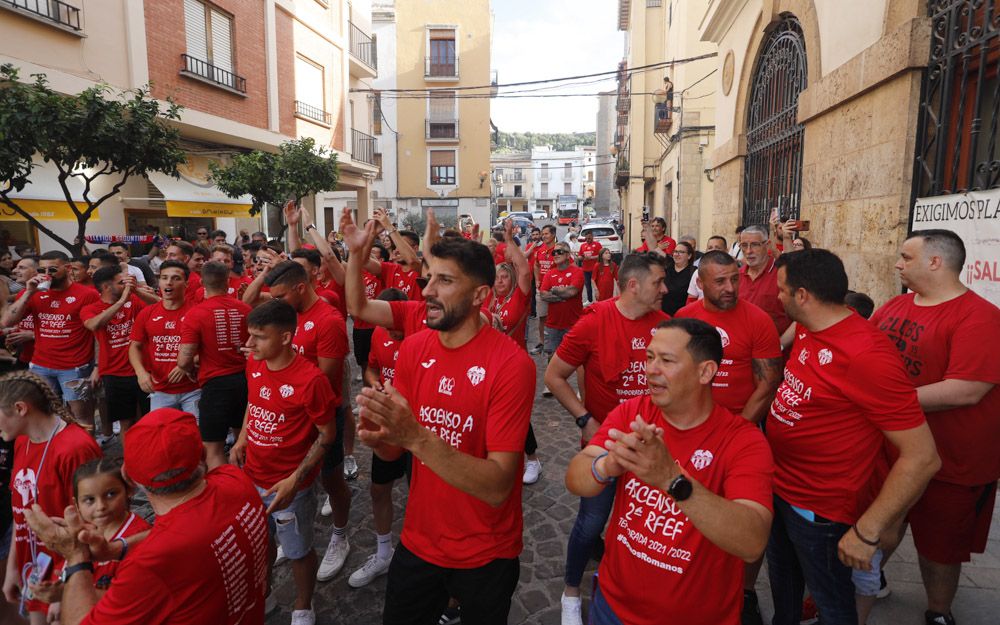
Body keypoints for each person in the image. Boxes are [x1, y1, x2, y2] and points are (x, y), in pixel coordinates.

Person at [353, 233, 535, 625]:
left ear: (479, 296)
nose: (428, 291)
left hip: (487, 552)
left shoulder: (511, 365)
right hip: (421, 541)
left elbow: (498, 485)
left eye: (445, 281)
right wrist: (381, 435)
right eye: (429, 277)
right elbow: (394, 451)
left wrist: (415, 435)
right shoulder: (415, 349)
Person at [766, 249, 941, 625]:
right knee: (785, 596)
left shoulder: (867, 355)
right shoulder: (809, 328)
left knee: (834, 608)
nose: (777, 298)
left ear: (802, 296)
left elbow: (922, 457)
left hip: (821, 511)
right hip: (780, 488)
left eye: (781, 291)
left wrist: (868, 530)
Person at [565, 318, 774, 624]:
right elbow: (575, 477)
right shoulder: (633, 411)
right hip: (611, 608)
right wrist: (608, 465)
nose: (651, 369)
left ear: (706, 372)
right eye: (649, 357)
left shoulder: (742, 442)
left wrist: (672, 480)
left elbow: (752, 541)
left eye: (666, 360)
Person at [24, 407, 268, 625]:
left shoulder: (151, 563)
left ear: (128, 478)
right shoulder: (236, 481)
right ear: (202, 456)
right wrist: (116, 549)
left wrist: (76, 556)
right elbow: (188, 538)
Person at [871, 229, 1000, 625]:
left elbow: (966, 390)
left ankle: (939, 613)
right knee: (876, 527)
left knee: (940, 548)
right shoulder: (895, 305)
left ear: (935, 262)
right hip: (891, 451)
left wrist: (884, 402)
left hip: (952, 461)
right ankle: (865, 584)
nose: (897, 264)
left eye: (906, 257)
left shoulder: (981, 317)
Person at [544, 252, 669, 625]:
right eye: (658, 282)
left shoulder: (666, 326)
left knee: (643, 525)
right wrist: (584, 419)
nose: (665, 288)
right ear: (633, 285)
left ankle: (634, 588)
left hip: (652, 448)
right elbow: (553, 376)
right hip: (605, 444)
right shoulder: (593, 322)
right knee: (591, 521)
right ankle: (570, 592)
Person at [673, 250, 783, 623]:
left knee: (746, 514)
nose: (730, 287)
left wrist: (735, 432)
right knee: (688, 511)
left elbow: (768, 383)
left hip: (741, 434)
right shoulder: (684, 320)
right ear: (700, 283)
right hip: (689, 434)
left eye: (735, 278)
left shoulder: (758, 320)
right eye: (720, 281)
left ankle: (746, 591)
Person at [230, 300, 337, 625]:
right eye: (250, 335)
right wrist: (243, 437)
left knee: (298, 550)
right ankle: (265, 594)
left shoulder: (311, 380)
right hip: (252, 476)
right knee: (260, 541)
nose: (250, 345)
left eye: (259, 337)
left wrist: (296, 478)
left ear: (286, 337)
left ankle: (303, 604)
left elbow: (327, 435)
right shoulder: (255, 364)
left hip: (291, 487)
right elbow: (254, 400)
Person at [261, 261, 352, 584]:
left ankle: (340, 536)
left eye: (281, 295)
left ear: (301, 288)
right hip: (287, 416)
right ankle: (294, 537)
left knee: (331, 480)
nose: (275, 302)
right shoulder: (286, 315)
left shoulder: (328, 321)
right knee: (293, 485)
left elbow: (326, 381)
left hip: (320, 416)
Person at [0, 371, 101, 624]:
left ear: (21, 408)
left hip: (70, 573)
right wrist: (13, 567)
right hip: (36, 570)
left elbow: (94, 522)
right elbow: (21, 512)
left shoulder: (74, 448)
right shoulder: (23, 441)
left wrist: (65, 584)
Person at [348, 288, 409, 589]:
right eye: (386, 325)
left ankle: (423, 558)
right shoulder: (377, 334)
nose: (392, 331)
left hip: (417, 428)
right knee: (378, 489)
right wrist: (377, 384)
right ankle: (384, 552)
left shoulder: (423, 337)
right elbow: (371, 368)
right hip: (386, 424)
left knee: (422, 495)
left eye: (396, 325)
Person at [27, 457, 151, 605]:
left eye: (111, 494)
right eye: (89, 500)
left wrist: (67, 594)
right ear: (76, 504)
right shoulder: (81, 533)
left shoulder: (140, 536)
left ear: (128, 491)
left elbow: (132, 599)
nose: (100, 506)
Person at [1, 251, 100, 429]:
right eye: (42, 269)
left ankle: (85, 456)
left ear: (68, 268)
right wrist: (29, 292)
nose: (47, 273)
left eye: (52, 269)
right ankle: (55, 454)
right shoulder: (32, 293)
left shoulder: (87, 295)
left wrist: (98, 367)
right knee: (44, 415)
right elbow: (6, 321)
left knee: (81, 418)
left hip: (74, 367)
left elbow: (98, 333)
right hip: (41, 365)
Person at [175, 261, 251, 470]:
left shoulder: (196, 314)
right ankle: (247, 485)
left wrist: (189, 368)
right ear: (228, 281)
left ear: (201, 282)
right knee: (243, 440)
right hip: (245, 381)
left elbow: (184, 359)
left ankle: (224, 491)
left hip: (215, 385)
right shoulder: (244, 309)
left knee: (213, 448)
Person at [487, 220, 540, 484]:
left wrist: (509, 240)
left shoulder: (518, 297)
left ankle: (532, 459)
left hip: (513, 365)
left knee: (517, 416)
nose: (500, 280)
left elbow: (524, 272)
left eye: (504, 276)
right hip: (487, 365)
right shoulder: (488, 299)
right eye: (496, 277)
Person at [81, 266, 155, 438]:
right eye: (121, 282)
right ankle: (129, 462)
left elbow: (160, 304)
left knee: (150, 418)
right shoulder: (90, 308)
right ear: (107, 287)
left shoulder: (135, 300)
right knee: (126, 422)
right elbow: (93, 325)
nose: (126, 285)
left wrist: (136, 291)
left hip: (143, 371)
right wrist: (121, 302)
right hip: (114, 373)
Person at [128, 261, 199, 414]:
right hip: (160, 389)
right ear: (159, 282)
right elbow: (135, 346)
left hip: (194, 388)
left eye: (176, 278)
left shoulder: (197, 312)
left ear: (186, 284)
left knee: (196, 434)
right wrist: (141, 373)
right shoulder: (147, 313)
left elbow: (209, 347)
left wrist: (187, 363)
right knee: (163, 435)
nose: (169, 282)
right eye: (164, 277)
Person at [538, 242, 583, 372]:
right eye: (554, 252)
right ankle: (551, 384)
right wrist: (563, 295)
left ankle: (581, 388)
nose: (556, 254)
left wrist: (554, 291)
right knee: (551, 356)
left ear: (568, 255)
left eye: (560, 252)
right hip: (553, 324)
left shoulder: (577, 272)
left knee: (578, 359)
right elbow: (543, 294)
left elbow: (572, 292)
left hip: (573, 324)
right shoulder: (549, 273)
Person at [737, 225, 791, 334]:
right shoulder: (735, 276)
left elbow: (800, 318)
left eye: (755, 245)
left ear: (767, 245)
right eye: (744, 245)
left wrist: (781, 344)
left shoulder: (782, 274)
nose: (748, 251)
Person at [529, 224, 558, 354]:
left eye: (546, 234)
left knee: (556, 318)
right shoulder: (540, 251)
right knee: (542, 317)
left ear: (553, 235)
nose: (543, 236)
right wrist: (537, 280)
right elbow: (536, 265)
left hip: (555, 291)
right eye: (543, 234)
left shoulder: (559, 250)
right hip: (541, 290)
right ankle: (541, 343)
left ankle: (556, 343)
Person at [686, 236, 729, 301]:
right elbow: (691, 299)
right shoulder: (698, 273)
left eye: (718, 248)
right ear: (706, 251)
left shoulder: (732, 272)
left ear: (726, 251)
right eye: (710, 248)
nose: (713, 250)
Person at [661, 241, 697, 316]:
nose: (677, 254)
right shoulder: (666, 270)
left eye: (681, 252)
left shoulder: (694, 272)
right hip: (663, 316)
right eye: (675, 251)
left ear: (689, 256)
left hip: (683, 317)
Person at [577, 231, 602, 303]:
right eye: (587, 238)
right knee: (588, 285)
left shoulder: (597, 245)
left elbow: (600, 255)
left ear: (592, 237)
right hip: (585, 269)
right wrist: (580, 258)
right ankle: (589, 300)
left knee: (597, 285)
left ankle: (599, 299)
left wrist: (591, 257)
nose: (588, 240)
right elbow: (580, 255)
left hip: (595, 269)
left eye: (590, 238)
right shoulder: (583, 246)